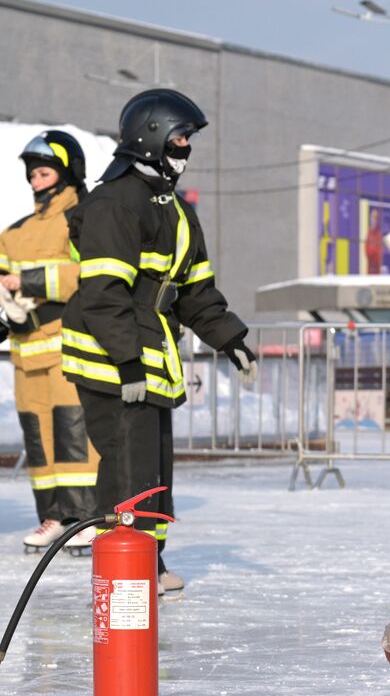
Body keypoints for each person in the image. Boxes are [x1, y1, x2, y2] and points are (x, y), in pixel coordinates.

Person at [62, 89, 257, 596]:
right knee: (127, 466)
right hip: (112, 359)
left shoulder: (173, 207)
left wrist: (228, 338)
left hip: (148, 354)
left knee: (152, 468)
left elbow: (193, 290)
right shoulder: (114, 203)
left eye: (188, 139)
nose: (186, 147)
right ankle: (124, 570)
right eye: (179, 137)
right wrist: (126, 362)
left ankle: (148, 560)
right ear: (148, 137)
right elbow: (103, 293)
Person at [0, 131, 100, 553]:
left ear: (67, 172)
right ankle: (55, 518)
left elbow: (91, 273)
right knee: (39, 440)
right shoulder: (14, 232)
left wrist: (30, 280)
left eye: (43, 172)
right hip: (26, 351)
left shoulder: (84, 219)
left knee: (74, 434)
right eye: (32, 174)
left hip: (66, 345)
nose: (35, 181)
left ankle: (88, 517)